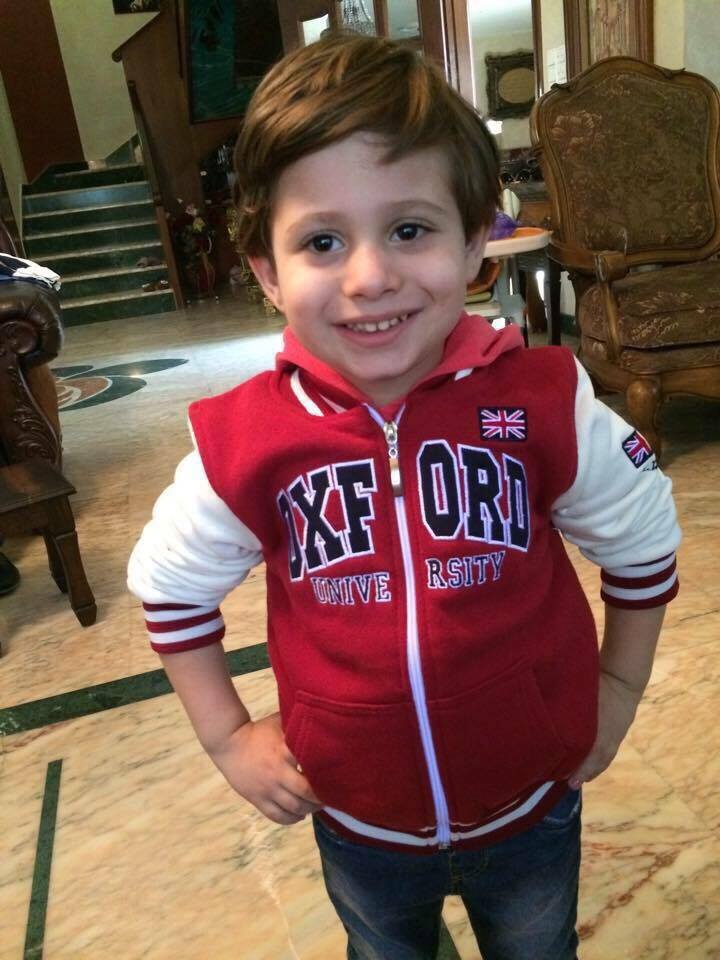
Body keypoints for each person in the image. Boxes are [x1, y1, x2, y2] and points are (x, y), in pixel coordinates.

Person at [128, 34, 680, 960]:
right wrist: (227, 738)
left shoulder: (544, 400)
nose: (370, 276)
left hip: (531, 808)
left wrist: (618, 688)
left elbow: (643, 541)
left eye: (410, 230)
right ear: (266, 272)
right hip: (358, 822)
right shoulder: (243, 440)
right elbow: (170, 588)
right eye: (322, 241)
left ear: (475, 242)